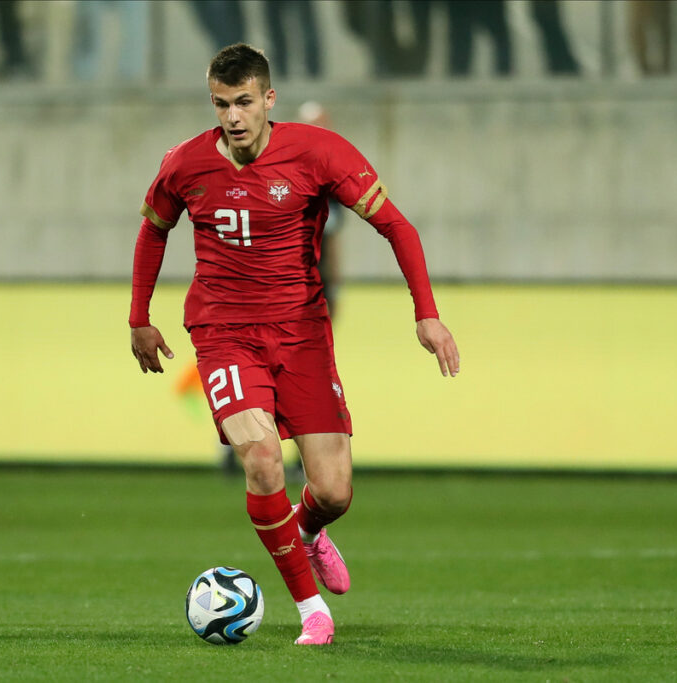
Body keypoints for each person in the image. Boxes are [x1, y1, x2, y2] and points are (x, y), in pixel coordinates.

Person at [129, 44, 459, 645]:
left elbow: (396, 226)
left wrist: (427, 315)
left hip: (302, 333)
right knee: (259, 459)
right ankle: (312, 611)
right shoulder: (185, 163)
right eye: (222, 104)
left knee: (333, 491)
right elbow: (154, 228)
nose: (233, 117)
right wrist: (139, 317)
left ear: (268, 99)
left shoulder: (317, 152)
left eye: (245, 103)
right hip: (223, 331)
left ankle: (306, 534)